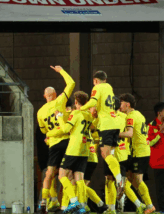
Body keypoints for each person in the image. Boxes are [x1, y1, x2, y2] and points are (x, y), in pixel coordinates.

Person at [36, 65, 75, 214]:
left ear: (44, 96)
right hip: (66, 141)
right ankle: (66, 205)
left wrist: (50, 134)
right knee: (68, 175)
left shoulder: (40, 112)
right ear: (55, 94)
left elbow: (43, 130)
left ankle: (44, 203)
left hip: (52, 145)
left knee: (49, 173)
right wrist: (61, 71)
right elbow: (71, 83)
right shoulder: (60, 102)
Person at [79, 71, 123, 198]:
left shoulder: (97, 87)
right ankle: (117, 181)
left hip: (107, 125)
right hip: (114, 123)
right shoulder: (109, 87)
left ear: (95, 80)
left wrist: (82, 109)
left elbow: (93, 102)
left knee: (105, 153)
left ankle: (119, 179)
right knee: (111, 156)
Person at [56, 91, 93, 214]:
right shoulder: (88, 115)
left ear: (76, 102)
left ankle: (74, 201)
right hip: (85, 149)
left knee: (62, 175)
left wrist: (59, 117)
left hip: (74, 148)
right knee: (79, 178)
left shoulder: (76, 113)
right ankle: (82, 206)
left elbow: (66, 129)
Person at [119, 93, 155, 214]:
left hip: (139, 152)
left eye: (121, 103)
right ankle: (141, 205)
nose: (120, 105)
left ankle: (149, 205)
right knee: (129, 181)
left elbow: (129, 134)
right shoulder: (139, 114)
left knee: (137, 181)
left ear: (127, 104)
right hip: (142, 151)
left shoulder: (131, 117)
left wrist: (113, 134)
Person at [148, 102, 164, 214]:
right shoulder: (151, 125)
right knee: (160, 188)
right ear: (159, 113)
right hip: (159, 162)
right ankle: (163, 210)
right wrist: (160, 132)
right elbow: (148, 143)